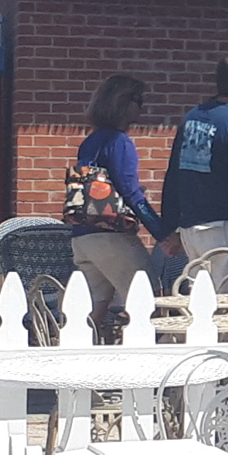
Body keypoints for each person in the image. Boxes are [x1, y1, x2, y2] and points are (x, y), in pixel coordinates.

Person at [66, 72, 170, 324]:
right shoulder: (120, 142)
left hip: (83, 236)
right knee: (150, 300)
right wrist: (162, 234)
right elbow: (131, 193)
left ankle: (72, 344)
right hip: (111, 236)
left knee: (92, 308)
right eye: (138, 100)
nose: (142, 107)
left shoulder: (90, 142)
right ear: (123, 102)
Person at [160, 51, 228, 265]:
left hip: (190, 230)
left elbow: (174, 177)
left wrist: (169, 228)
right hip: (223, 230)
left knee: (200, 286)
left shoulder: (192, 118)